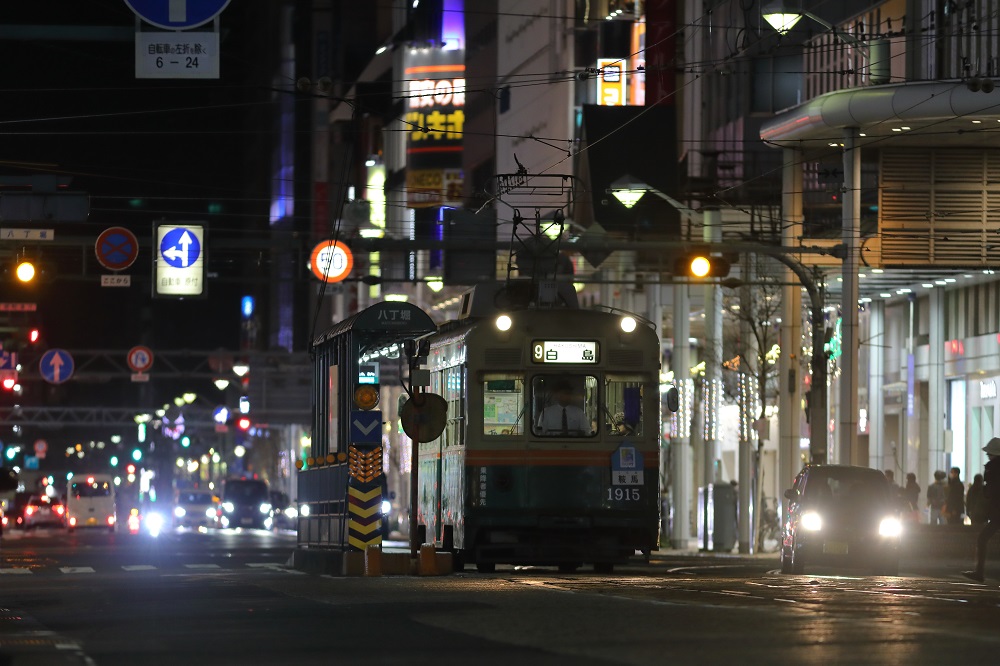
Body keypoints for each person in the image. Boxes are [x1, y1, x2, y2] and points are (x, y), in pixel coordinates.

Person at [963, 438, 1000, 582]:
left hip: (997, 512)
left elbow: (990, 492)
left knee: (982, 539)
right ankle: (979, 572)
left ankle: (979, 572)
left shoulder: (992, 468)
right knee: (983, 538)